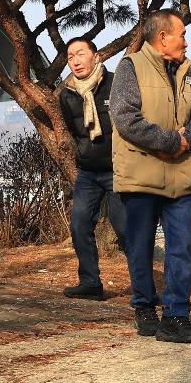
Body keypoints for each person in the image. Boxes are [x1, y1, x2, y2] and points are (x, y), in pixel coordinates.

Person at [109, 10, 191, 344]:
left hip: (181, 175)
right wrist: (168, 141)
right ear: (163, 37)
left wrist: (187, 139)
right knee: (140, 246)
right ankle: (144, 305)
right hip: (141, 173)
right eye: (182, 34)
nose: (186, 41)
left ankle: (176, 315)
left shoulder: (189, 70)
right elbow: (125, 118)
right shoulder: (130, 67)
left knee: (181, 248)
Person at [59, 36, 126, 301]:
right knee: (79, 225)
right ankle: (90, 283)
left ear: (96, 56)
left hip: (117, 169)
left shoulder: (115, 84)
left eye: (80, 54)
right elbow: (73, 130)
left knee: (125, 229)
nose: (75, 61)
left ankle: (144, 286)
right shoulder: (68, 94)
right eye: (70, 57)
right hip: (87, 171)